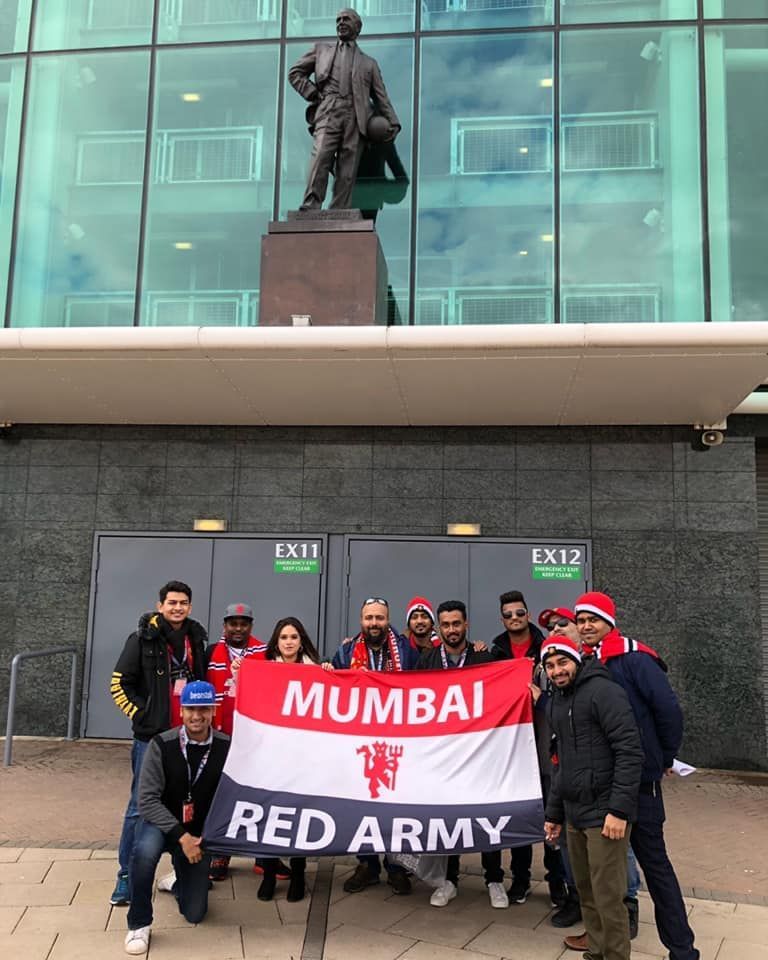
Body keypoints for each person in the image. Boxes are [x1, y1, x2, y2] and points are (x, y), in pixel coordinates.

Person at [571, 591, 700, 960]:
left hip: (640, 785)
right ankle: (601, 942)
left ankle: (682, 950)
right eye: (581, 621)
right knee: (601, 873)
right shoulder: (582, 663)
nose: (586, 626)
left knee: (655, 867)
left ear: (609, 622)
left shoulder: (636, 659)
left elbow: (668, 711)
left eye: (592, 619)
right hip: (601, 788)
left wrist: (664, 757)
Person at [543, 637, 643, 960]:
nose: (557, 671)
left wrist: (618, 811)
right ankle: (596, 952)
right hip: (574, 814)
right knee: (586, 892)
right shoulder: (557, 700)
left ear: (576, 661)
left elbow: (630, 752)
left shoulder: (604, 692)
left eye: (562, 663)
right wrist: (554, 814)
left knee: (609, 896)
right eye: (550, 665)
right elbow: (561, 763)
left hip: (604, 816)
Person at [110, 580, 208, 906]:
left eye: (183, 603)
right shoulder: (141, 639)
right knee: (140, 807)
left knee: (186, 802)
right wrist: (146, 716)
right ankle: (126, 876)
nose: (177, 608)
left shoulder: (196, 637)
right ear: (160, 604)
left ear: (190, 607)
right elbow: (119, 684)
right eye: (172, 602)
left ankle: (181, 871)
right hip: (151, 739)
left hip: (185, 739)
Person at [124, 681, 229, 956]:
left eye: (204, 709)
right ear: (181, 711)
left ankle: (177, 881)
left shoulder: (226, 747)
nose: (197, 716)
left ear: (213, 711)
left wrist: (205, 836)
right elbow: (146, 800)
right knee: (144, 854)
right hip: (161, 822)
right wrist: (182, 838)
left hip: (198, 830)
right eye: (191, 709)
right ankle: (139, 923)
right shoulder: (162, 744)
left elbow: (231, 797)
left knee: (195, 914)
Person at [483, 590, 568, 907]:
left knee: (552, 814)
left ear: (528, 614)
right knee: (520, 814)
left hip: (546, 744)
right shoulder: (495, 650)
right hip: (512, 747)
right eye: (508, 615)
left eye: (520, 613)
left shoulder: (547, 647)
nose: (515, 619)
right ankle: (520, 878)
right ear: (502, 619)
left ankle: (556, 882)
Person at [416, 600, 499, 908]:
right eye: (446, 624)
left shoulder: (484, 656)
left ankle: (494, 879)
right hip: (443, 755)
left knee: (486, 815)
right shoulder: (427, 659)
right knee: (448, 818)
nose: (451, 629)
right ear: (439, 628)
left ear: (466, 625)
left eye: (456, 624)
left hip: (478, 752)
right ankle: (448, 879)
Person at [333, 597, 418, 894]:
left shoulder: (406, 650)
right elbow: (336, 689)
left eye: (379, 618)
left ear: (388, 619)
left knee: (395, 806)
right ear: (361, 620)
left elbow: (422, 688)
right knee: (362, 804)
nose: (374, 623)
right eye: (369, 618)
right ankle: (367, 864)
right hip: (361, 742)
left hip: (397, 739)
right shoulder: (346, 650)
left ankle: (396, 867)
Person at [288, 8, 400, 210]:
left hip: (355, 116)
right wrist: (313, 93)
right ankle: (311, 205)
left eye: (346, 19)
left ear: (357, 27)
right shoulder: (321, 50)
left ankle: (340, 211)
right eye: (338, 19)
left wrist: (393, 122)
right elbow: (295, 73)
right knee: (321, 156)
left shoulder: (369, 64)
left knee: (347, 170)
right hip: (328, 109)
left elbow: (381, 96)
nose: (340, 22)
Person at [255, 617, 333, 903]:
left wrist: (328, 673)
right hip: (271, 757)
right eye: (284, 637)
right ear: (277, 641)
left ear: (302, 642)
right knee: (271, 815)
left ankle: (298, 873)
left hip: (303, 758)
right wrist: (243, 674)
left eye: (294, 637)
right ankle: (268, 871)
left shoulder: (314, 671)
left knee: (298, 817)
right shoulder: (264, 670)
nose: (289, 642)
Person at [205, 602, 266, 882]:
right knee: (221, 793)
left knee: (256, 792)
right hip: (221, 734)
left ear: (250, 626)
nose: (238, 628)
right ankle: (221, 852)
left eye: (243, 623)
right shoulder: (211, 654)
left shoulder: (264, 652)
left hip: (253, 734)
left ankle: (262, 856)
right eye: (233, 623)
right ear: (224, 626)